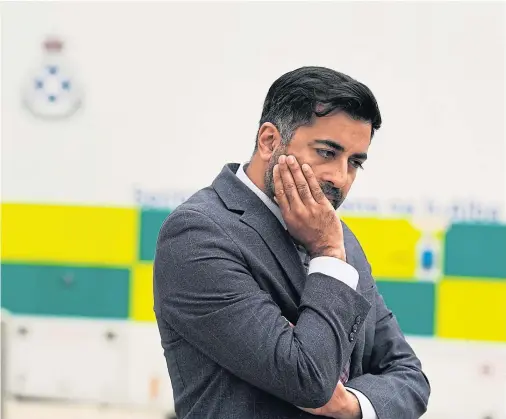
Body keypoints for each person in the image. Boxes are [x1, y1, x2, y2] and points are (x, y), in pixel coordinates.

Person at [153, 66, 430, 419]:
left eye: (355, 163)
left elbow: (410, 376)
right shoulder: (198, 234)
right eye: (327, 152)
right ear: (269, 141)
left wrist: (351, 405)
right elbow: (307, 380)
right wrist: (328, 255)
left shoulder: (341, 239)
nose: (340, 177)